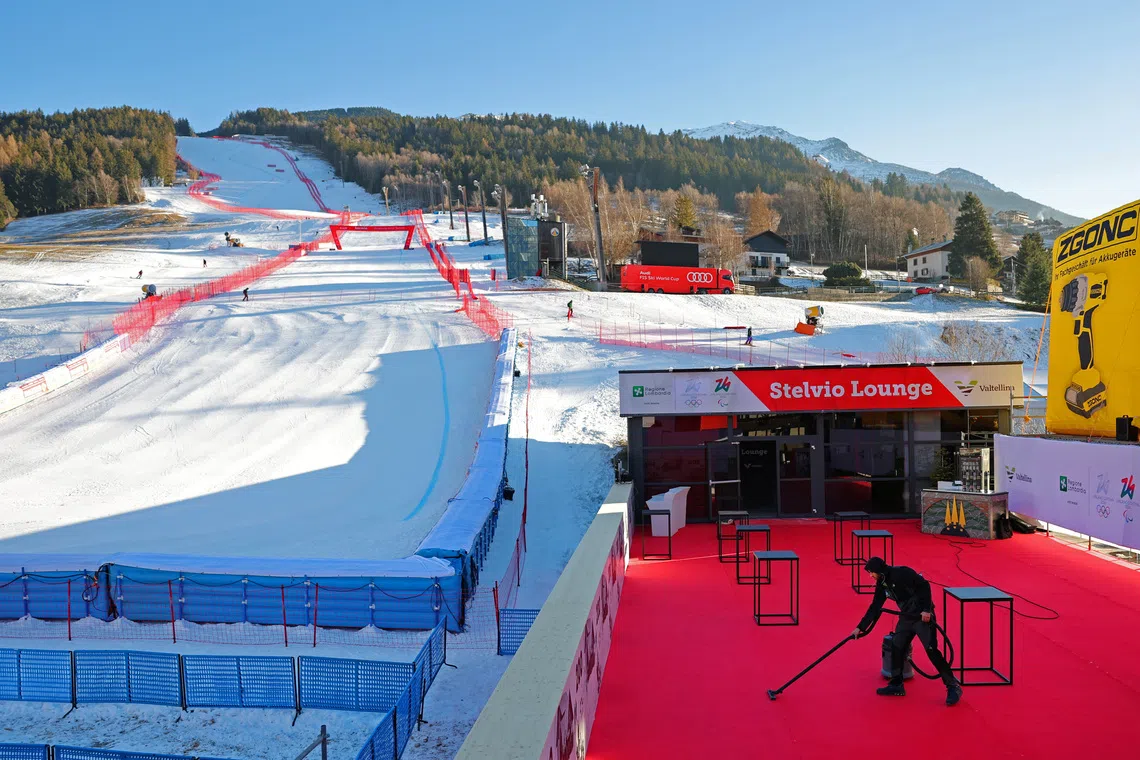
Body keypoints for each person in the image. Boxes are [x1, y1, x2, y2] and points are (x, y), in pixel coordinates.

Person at [852, 557, 962, 706]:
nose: (870, 576)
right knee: (897, 645)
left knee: (931, 650)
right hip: (906, 616)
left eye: (871, 572)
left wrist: (926, 610)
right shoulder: (882, 584)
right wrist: (861, 627)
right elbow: (875, 607)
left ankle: (953, 686)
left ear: (879, 571)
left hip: (922, 616)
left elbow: (924, 586)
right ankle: (896, 684)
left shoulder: (901, 573)